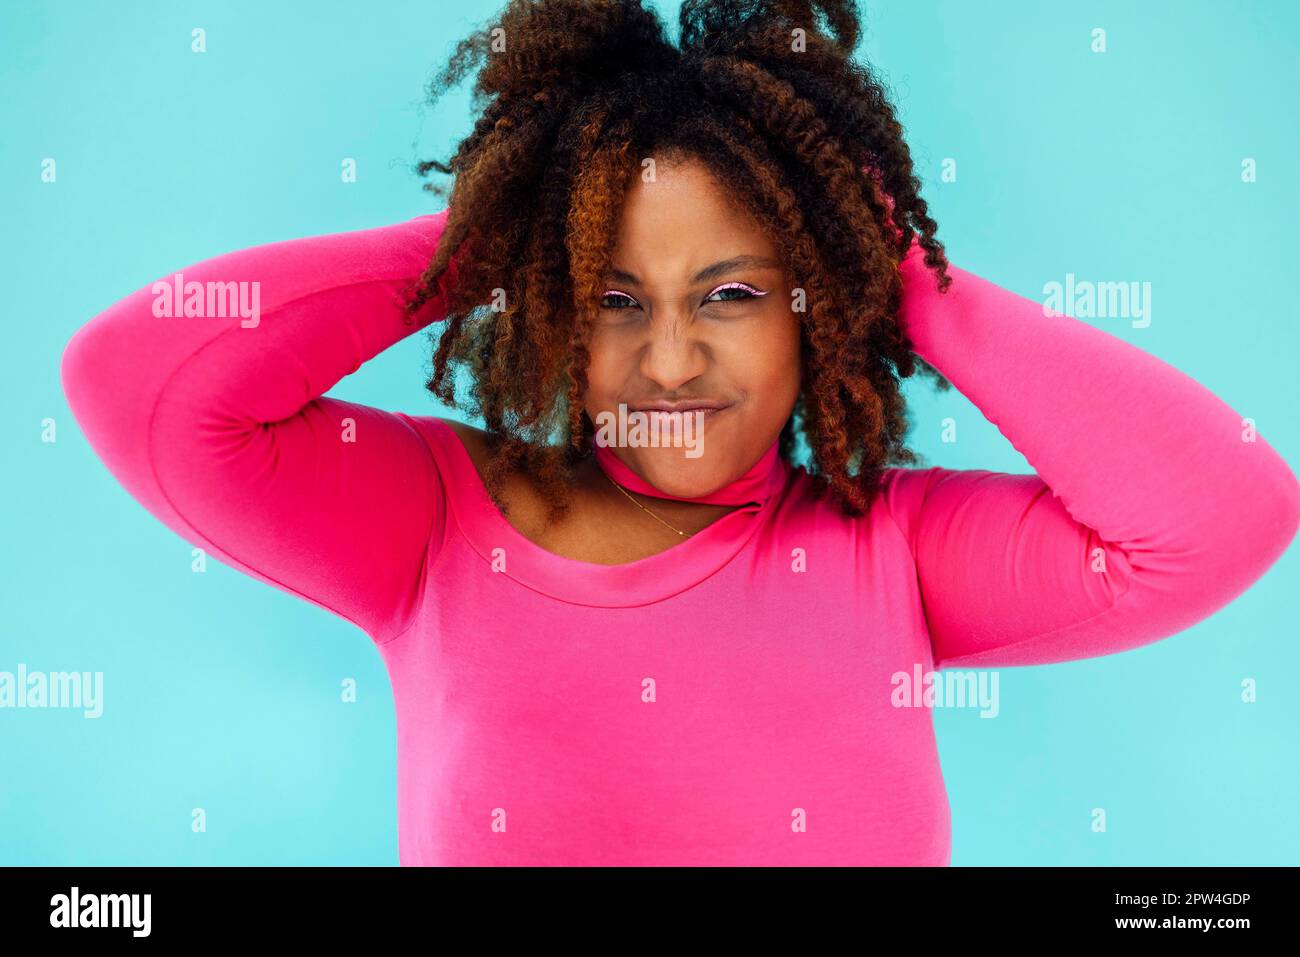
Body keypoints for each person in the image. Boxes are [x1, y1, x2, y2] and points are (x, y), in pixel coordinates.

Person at [59, 0, 1299, 865]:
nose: (668, 359)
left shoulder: (894, 553)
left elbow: (1220, 517)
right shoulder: (431, 519)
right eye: (610, 296)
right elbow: (138, 384)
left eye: (732, 292)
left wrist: (908, 275)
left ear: (819, 301)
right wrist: (484, 238)